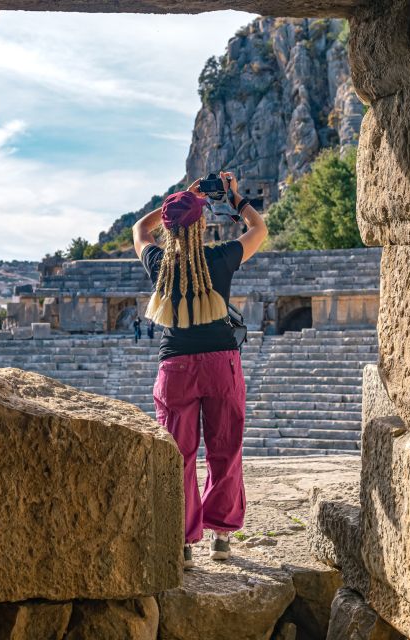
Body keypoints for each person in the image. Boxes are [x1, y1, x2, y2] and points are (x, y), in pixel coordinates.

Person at [132, 171, 267, 569]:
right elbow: (258, 229)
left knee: (179, 455)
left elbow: (139, 228)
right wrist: (237, 199)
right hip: (220, 363)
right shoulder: (219, 259)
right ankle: (221, 537)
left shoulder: (158, 263)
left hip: (175, 366)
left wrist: (179, 201)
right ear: (203, 224)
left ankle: (183, 542)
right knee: (226, 449)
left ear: (170, 229)